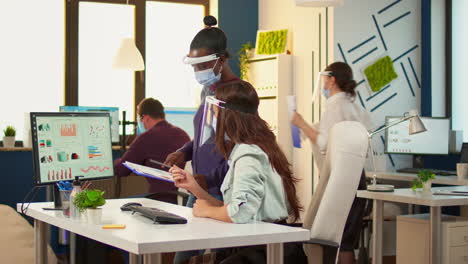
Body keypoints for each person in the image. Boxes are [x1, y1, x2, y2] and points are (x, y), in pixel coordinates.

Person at [170, 81, 305, 263]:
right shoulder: (254, 147)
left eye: (216, 113)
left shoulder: (249, 153)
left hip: (264, 251)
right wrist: (195, 188)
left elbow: (239, 213)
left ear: (228, 116)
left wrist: (207, 211)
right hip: (259, 244)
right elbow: (234, 206)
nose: (214, 119)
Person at [292, 62, 372, 264]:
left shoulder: (335, 106)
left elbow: (325, 142)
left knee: (338, 239)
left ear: (331, 79)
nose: (322, 83)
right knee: (346, 238)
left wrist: (301, 123)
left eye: (324, 78)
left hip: (341, 180)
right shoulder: (353, 106)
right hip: (356, 177)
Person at [165, 15, 241, 207]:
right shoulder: (208, 91)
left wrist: (209, 180)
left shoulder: (238, 94)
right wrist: (183, 153)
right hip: (199, 188)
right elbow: (206, 137)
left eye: (203, 66)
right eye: (194, 66)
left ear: (221, 60)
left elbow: (238, 149)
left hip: (222, 192)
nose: (198, 71)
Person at [114, 98, 190, 204]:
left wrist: (109, 162)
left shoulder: (147, 137)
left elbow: (122, 170)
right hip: (184, 196)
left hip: (163, 198)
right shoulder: (182, 133)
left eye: (140, 119)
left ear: (146, 118)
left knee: (120, 204)